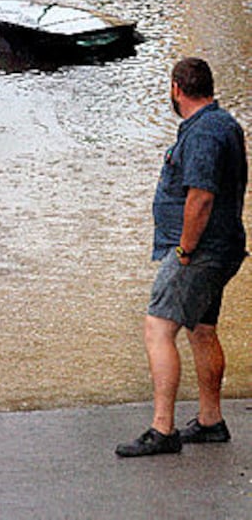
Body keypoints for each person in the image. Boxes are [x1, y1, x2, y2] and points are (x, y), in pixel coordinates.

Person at [116, 57, 248, 457]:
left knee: (158, 328)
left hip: (201, 250)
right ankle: (210, 421)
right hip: (223, 246)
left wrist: (186, 250)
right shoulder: (223, 123)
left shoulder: (205, 131)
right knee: (202, 329)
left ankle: (163, 429)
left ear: (176, 89)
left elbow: (201, 196)